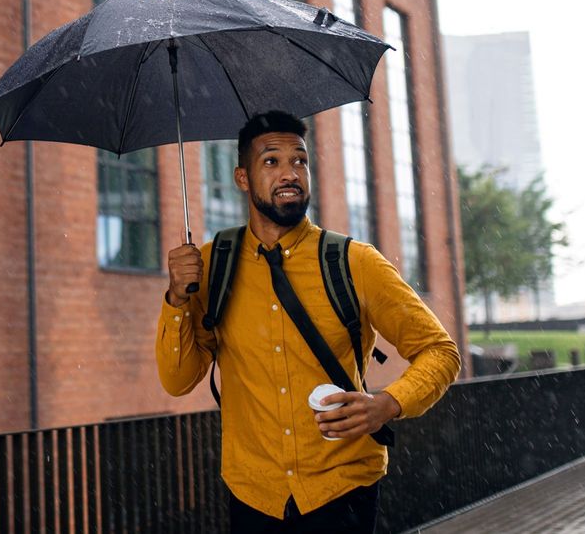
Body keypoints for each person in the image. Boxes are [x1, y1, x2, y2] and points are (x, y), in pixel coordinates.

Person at [156, 111, 460, 533]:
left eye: (300, 161)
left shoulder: (355, 262)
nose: (290, 173)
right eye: (271, 161)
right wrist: (175, 299)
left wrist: (386, 405)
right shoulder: (212, 267)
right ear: (242, 178)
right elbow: (178, 380)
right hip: (253, 497)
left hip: (343, 491)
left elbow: (440, 351)